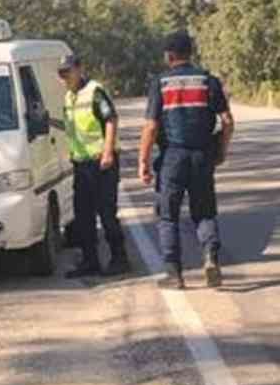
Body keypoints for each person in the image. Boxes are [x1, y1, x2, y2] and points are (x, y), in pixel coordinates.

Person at [138, 30, 233, 289]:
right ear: (190, 53)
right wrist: (221, 150)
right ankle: (211, 257)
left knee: (168, 216)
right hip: (202, 155)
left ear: (169, 55)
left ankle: (174, 274)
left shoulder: (160, 83)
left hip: (172, 157)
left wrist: (143, 161)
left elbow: (150, 127)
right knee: (204, 211)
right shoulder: (208, 81)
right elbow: (227, 121)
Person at [57, 53, 128, 278]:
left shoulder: (94, 91)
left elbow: (111, 119)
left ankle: (119, 258)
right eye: (62, 73)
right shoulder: (69, 96)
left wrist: (107, 152)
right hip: (82, 164)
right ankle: (90, 261)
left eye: (68, 71)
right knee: (83, 216)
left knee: (107, 213)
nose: (65, 77)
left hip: (102, 162)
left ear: (79, 69)